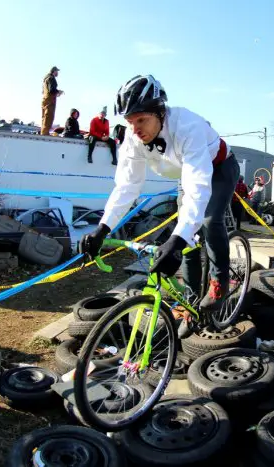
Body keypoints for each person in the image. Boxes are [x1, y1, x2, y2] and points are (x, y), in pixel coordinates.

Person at [79, 75, 239, 332]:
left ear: (160, 112)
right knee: (186, 234)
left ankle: (220, 281)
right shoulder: (132, 139)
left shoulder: (188, 126)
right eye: (129, 122)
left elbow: (198, 189)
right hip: (183, 172)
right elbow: (127, 186)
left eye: (141, 120)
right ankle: (191, 298)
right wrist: (103, 227)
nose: (135, 129)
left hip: (219, 167)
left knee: (207, 220)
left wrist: (176, 240)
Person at [41, 66, 63, 135]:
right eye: (57, 71)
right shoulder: (51, 78)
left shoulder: (45, 79)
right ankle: (45, 133)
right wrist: (58, 92)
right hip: (50, 102)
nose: (58, 73)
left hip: (45, 101)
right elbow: (51, 90)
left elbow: (43, 91)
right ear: (54, 71)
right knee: (49, 117)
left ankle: (43, 132)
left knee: (44, 117)